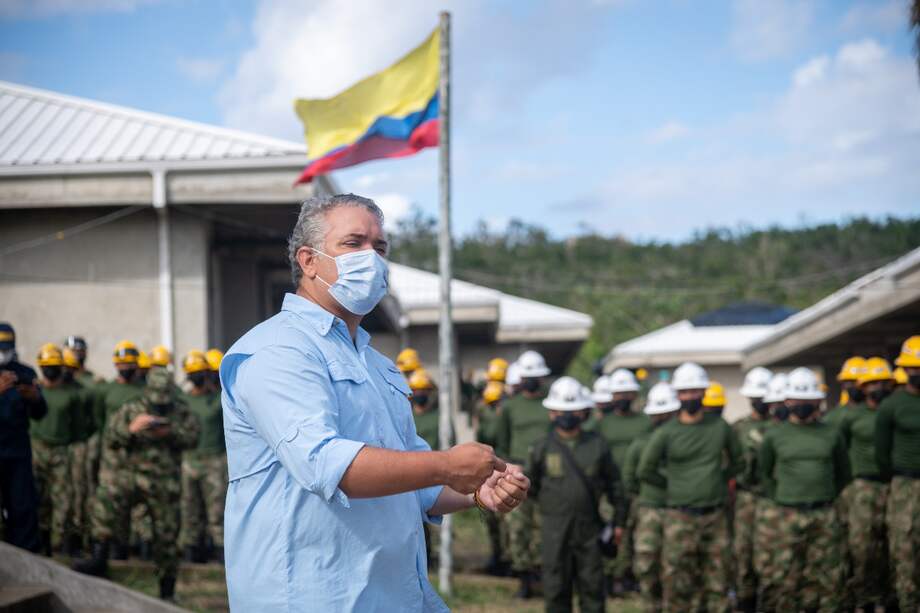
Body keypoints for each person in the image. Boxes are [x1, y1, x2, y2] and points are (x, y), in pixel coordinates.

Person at [219, 194, 529, 611]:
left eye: (379, 247)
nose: (372, 258)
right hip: (313, 597)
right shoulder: (278, 350)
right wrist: (447, 465)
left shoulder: (375, 364)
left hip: (392, 594)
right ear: (309, 261)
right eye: (354, 243)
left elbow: (414, 478)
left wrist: (476, 488)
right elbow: (326, 464)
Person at [74, 368, 199, 600]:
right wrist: (131, 429)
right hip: (130, 475)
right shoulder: (131, 408)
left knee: (167, 532)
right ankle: (99, 557)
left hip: (163, 480)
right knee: (104, 503)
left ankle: (167, 588)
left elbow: (193, 438)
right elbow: (111, 437)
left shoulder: (181, 411)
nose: (159, 405)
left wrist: (170, 433)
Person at [638, 361, 740, 613]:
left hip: (715, 516)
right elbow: (645, 470)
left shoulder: (720, 427)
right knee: (677, 584)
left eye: (695, 391)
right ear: (677, 395)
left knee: (718, 582)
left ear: (704, 393)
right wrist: (674, 485)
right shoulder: (667, 432)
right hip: (679, 516)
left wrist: (717, 480)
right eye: (684, 392)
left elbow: (739, 462)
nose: (690, 396)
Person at [528, 376, 625, 613]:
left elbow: (615, 485)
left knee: (593, 590)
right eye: (562, 411)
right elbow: (532, 486)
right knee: (555, 588)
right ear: (552, 413)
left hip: (589, 529)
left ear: (583, 412)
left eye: (572, 410)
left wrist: (619, 522)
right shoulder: (542, 447)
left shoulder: (597, 445)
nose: (567, 415)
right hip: (554, 529)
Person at [759, 367, 849, 613]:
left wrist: (825, 494)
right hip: (788, 514)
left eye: (807, 400)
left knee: (829, 577)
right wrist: (782, 497)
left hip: (824, 513)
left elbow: (843, 473)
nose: (802, 405)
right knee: (786, 575)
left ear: (818, 401)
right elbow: (765, 473)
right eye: (796, 400)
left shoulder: (831, 434)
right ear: (787, 401)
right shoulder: (774, 435)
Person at [839, 356, 895, 611]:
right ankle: (864, 598)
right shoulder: (852, 417)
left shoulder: (894, 412)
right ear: (863, 387)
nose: (878, 388)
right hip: (862, 487)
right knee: (862, 547)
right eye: (872, 384)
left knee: (894, 545)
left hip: (893, 484)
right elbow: (839, 451)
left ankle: (891, 597)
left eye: (882, 383)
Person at [495, 349, 551, 598]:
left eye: (534, 377)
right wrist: (507, 469)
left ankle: (542, 573)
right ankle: (524, 577)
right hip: (518, 472)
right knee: (518, 527)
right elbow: (502, 441)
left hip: (547, 473)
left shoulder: (550, 404)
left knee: (544, 526)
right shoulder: (511, 407)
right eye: (527, 377)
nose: (531, 381)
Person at [622, 381, 680, 613]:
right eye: (659, 415)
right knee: (647, 563)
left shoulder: (684, 441)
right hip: (650, 508)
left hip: (679, 509)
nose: (662, 419)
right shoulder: (641, 444)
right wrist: (648, 493)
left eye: (667, 414)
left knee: (676, 565)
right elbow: (630, 478)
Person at [592, 368, 649, 596]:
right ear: (612, 395)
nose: (623, 398)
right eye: (619, 394)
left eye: (627, 393)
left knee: (636, 534)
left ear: (634, 395)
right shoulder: (602, 424)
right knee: (611, 533)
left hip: (639, 487)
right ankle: (609, 577)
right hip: (610, 489)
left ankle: (630, 577)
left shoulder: (645, 422)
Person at [876, 335, 920, 612]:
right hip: (905, 483)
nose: (917, 373)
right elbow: (882, 452)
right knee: (904, 551)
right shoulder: (891, 405)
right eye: (913, 368)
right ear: (904, 369)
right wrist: (895, 479)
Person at [0, 322, 46, 552]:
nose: (3, 353)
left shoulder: (25, 373)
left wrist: (34, 397)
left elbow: (40, 413)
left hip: (17, 452)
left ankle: (26, 555)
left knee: (22, 506)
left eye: (6, 348)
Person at [30, 343, 80, 556]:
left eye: (54, 366)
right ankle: (42, 544)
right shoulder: (34, 391)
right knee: (39, 499)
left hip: (61, 451)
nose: (50, 370)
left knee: (64, 500)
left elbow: (78, 424)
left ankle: (61, 545)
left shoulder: (71, 394)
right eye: (46, 366)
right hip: (37, 450)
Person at [178, 350, 227, 564]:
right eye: (193, 373)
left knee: (216, 510)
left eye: (201, 372)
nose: (197, 377)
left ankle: (220, 550)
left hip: (214, 460)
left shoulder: (218, 400)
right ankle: (192, 550)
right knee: (190, 509)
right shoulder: (183, 401)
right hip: (189, 460)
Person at [732, 366, 772, 613]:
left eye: (762, 397)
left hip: (772, 498)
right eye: (755, 398)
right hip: (745, 498)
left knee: (770, 553)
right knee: (743, 552)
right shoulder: (739, 428)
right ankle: (745, 600)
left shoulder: (780, 426)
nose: (759, 402)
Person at [62, 346, 94, 556]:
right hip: (61, 447)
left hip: (80, 446)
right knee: (63, 494)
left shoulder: (84, 390)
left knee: (82, 492)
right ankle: (64, 538)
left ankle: (81, 536)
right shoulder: (52, 390)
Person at [479, 378, 509, 576]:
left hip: (506, 467)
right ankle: (497, 556)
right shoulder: (487, 419)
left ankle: (507, 559)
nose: (494, 408)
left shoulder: (508, 415)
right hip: (491, 471)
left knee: (506, 520)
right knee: (493, 519)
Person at [829, 356, 867, 425]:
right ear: (843, 384)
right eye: (850, 382)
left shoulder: (880, 412)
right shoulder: (836, 416)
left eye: (858, 382)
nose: (854, 385)